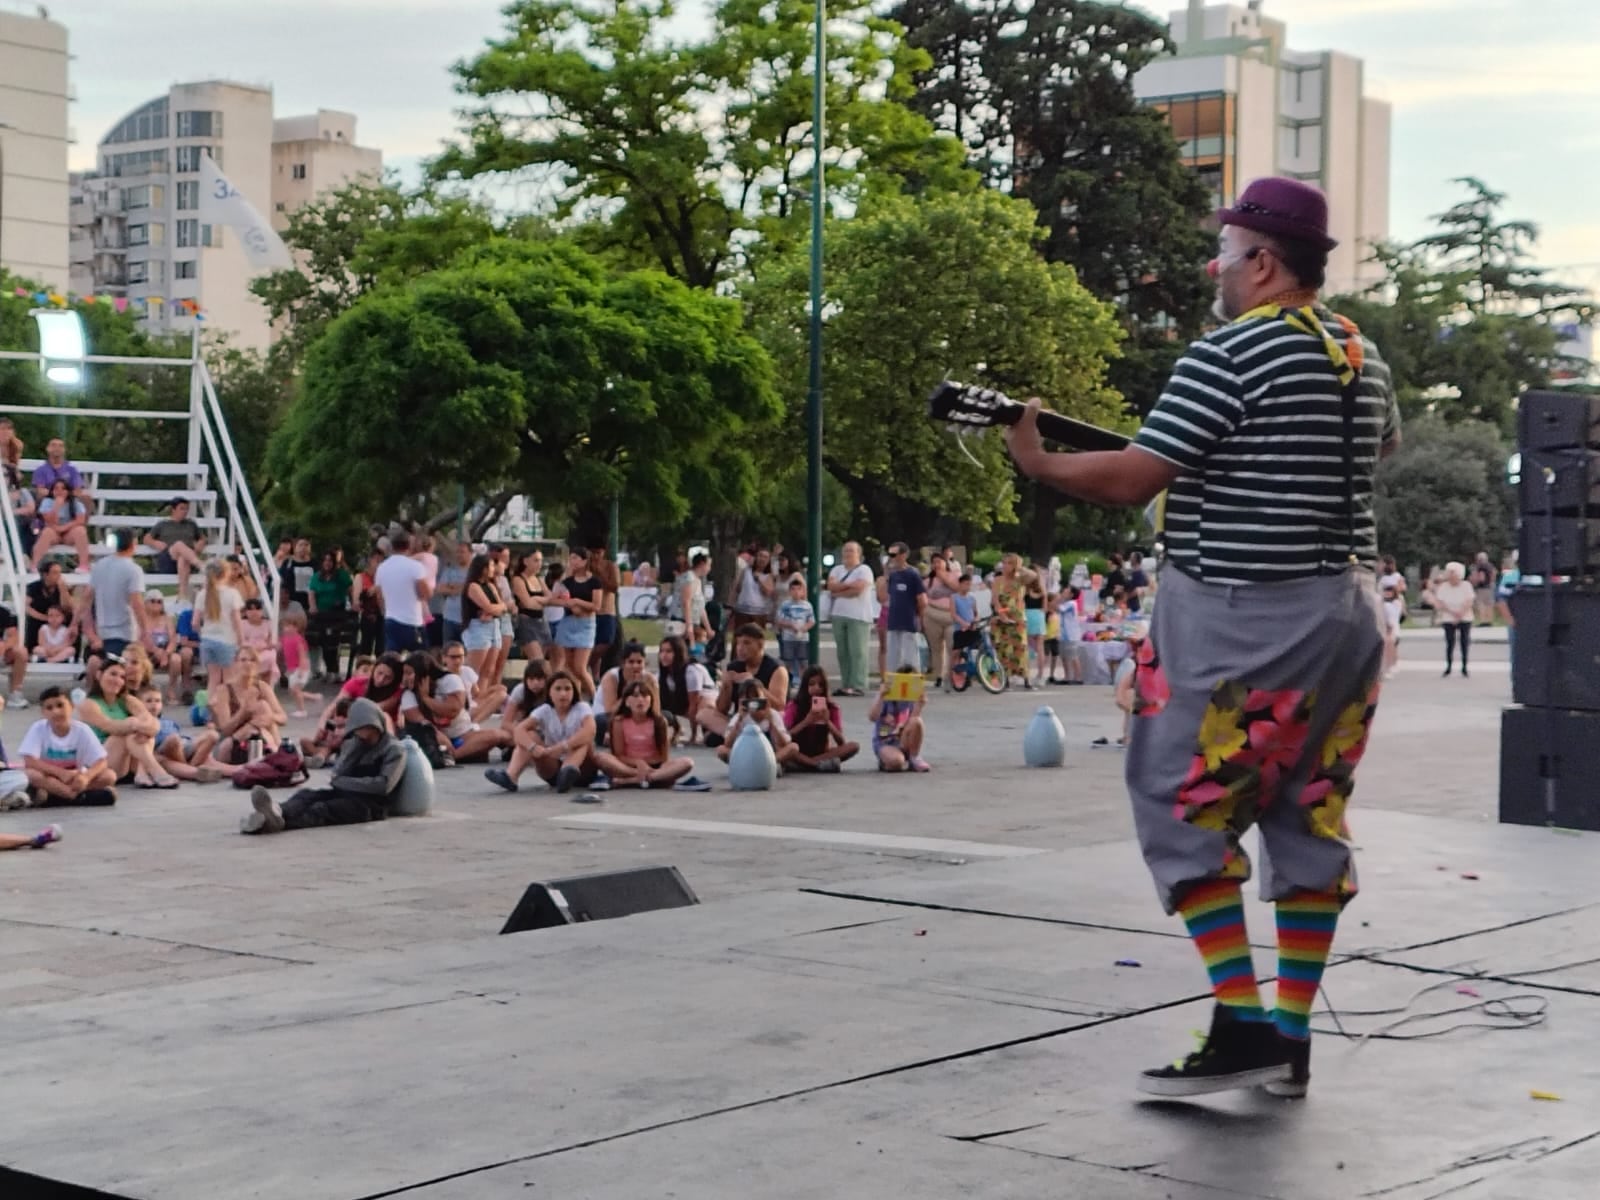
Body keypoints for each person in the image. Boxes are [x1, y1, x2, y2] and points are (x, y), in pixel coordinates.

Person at [1005, 176, 1398, 1098]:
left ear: (1261, 262)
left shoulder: (1231, 351)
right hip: (1348, 609)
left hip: (1242, 611)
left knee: (1179, 795)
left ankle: (1241, 1017)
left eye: (1221, 255)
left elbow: (1132, 481)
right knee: (1308, 807)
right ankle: (1289, 1033)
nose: (1212, 270)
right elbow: (1371, 453)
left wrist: (1036, 458)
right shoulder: (1358, 351)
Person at [241, 698, 407, 834]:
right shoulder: (357, 744)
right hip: (345, 793)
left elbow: (383, 786)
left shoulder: (394, 750)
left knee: (322, 809)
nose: (357, 733)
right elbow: (339, 771)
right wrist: (353, 750)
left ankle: (274, 824)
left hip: (370, 805)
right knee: (306, 795)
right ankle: (277, 811)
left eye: (361, 728)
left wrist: (343, 782)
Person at [485, 669, 596, 793]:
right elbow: (519, 730)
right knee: (530, 735)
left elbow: (590, 730)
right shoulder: (544, 710)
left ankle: (568, 770)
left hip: (582, 769)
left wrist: (563, 746)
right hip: (552, 766)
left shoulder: (582, 708)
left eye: (567, 689)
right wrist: (533, 747)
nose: (563, 694)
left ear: (574, 691)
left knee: (582, 740)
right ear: (549, 692)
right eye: (558, 689)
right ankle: (511, 776)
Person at [20, 686, 118, 807]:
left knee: (109, 776)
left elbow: (101, 761)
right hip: (50, 778)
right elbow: (30, 761)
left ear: (71, 706)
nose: (55, 711)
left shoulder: (82, 730)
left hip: (75, 778)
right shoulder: (38, 728)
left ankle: (56, 797)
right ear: (43, 712)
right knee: (31, 775)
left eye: (60, 705)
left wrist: (87, 777)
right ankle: (76, 797)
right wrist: (61, 773)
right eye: (49, 708)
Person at [697, 624, 789, 748]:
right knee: (703, 714)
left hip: (766, 720)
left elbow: (779, 706)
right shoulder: (734, 667)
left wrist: (754, 683)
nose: (740, 648)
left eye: (746, 643)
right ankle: (739, 737)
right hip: (741, 719)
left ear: (760, 644)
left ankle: (736, 739)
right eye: (738, 644)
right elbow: (722, 709)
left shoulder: (776, 669)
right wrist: (726, 685)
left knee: (713, 739)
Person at [592, 679, 697, 789]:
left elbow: (663, 757)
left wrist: (646, 764)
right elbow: (619, 755)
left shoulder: (660, 721)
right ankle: (642, 777)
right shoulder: (619, 722)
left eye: (645, 696)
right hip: (627, 766)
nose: (640, 700)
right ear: (627, 701)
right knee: (601, 757)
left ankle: (634, 780)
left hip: (654, 767)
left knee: (687, 762)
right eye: (636, 696)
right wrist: (638, 763)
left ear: (651, 700)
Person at [210, 646, 287, 763]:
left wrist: (266, 717)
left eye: (252, 660)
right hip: (233, 740)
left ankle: (276, 753)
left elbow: (283, 718)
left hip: (260, 736)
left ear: (257, 665)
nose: (248, 664)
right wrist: (245, 711)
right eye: (243, 660)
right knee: (260, 709)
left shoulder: (262, 687)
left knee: (263, 707)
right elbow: (225, 729)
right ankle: (277, 753)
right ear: (235, 663)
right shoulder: (225, 690)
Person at [83, 529, 148, 665]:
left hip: (103, 629)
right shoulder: (133, 569)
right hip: (124, 631)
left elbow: (87, 597)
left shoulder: (100, 565)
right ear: (133, 543)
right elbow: (137, 602)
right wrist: (145, 630)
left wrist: (80, 626)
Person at [782, 666, 859, 772]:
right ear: (805, 686)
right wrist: (806, 722)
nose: (816, 688)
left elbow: (841, 742)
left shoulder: (832, 708)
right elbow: (785, 737)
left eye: (820, 685)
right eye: (812, 684)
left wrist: (828, 722)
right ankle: (815, 765)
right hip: (798, 751)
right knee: (789, 750)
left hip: (821, 753)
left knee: (853, 746)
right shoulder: (794, 706)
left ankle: (809, 763)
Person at [825, 543, 874, 696]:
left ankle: (858, 684)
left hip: (858, 616)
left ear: (858, 553)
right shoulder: (837, 569)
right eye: (845, 550)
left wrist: (839, 590)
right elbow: (830, 586)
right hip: (839, 614)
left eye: (851, 551)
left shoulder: (864, 570)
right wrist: (846, 586)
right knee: (843, 651)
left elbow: (857, 590)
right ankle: (846, 683)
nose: (847, 553)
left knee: (857, 651)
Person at [553, 549, 601, 699]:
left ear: (584, 561)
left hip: (585, 624)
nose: (572, 561)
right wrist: (570, 605)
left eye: (575, 558)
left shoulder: (594, 582)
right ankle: (576, 697)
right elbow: (556, 597)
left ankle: (595, 697)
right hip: (568, 622)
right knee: (569, 665)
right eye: (571, 558)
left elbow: (596, 606)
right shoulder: (568, 581)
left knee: (580, 667)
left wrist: (577, 602)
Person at [374, 531, 432, 653]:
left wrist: (385, 612)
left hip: (391, 619)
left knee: (392, 658)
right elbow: (425, 594)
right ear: (409, 546)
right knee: (421, 659)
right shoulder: (415, 567)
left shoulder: (382, 567)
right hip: (412, 620)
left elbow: (379, 596)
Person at [716, 678, 794, 766]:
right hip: (746, 754)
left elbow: (784, 743)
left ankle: (769, 763)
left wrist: (771, 722)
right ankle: (750, 765)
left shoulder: (772, 714)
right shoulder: (740, 716)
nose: (753, 701)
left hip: (769, 754)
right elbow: (727, 743)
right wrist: (739, 720)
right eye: (749, 698)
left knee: (793, 747)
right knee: (721, 750)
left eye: (756, 697)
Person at [194, 559, 244, 692]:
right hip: (227, 640)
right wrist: (241, 641)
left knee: (213, 679)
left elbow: (195, 622)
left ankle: (210, 709)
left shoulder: (202, 594)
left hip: (207, 640)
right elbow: (237, 621)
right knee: (229, 679)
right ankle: (227, 708)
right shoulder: (232, 594)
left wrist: (202, 633)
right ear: (225, 574)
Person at [867, 667, 930, 772]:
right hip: (885, 741)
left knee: (917, 721)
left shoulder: (912, 698)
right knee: (896, 762)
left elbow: (913, 722)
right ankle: (887, 761)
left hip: (903, 739)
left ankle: (914, 757)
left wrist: (919, 705)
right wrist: (881, 696)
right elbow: (872, 717)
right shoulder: (886, 696)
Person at [656, 634, 715, 745]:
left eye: (669, 652)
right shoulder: (661, 675)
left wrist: (693, 736)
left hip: (705, 700)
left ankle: (704, 732)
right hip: (683, 700)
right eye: (662, 651)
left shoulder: (691, 671)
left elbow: (694, 704)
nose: (664, 655)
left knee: (702, 713)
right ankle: (676, 730)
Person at [306, 549, 355, 679]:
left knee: (333, 640)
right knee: (324, 641)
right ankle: (330, 669)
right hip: (321, 614)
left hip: (337, 613)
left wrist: (354, 603)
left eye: (330, 560)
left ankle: (334, 670)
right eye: (325, 560)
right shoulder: (317, 576)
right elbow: (312, 593)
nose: (327, 563)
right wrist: (313, 607)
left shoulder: (342, 575)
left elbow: (351, 590)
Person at [143, 498, 206, 596]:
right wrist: (155, 543)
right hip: (169, 559)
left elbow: (202, 538)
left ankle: (182, 594)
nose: (185, 512)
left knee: (183, 557)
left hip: (187, 561)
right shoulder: (163, 524)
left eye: (186, 509)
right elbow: (146, 538)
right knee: (179, 545)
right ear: (173, 509)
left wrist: (200, 543)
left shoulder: (191, 524)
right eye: (182, 508)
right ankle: (202, 566)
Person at [882, 542, 926, 676]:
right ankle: (892, 683)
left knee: (910, 654)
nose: (892, 558)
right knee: (893, 655)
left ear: (904, 555)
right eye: (890, 555)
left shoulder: (912, 574)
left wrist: (919, 617)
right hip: (894, 619)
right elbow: (888, 596)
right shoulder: (893, 575)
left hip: (908, 619)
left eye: (894, 554)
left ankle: (913, 683)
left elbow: (922, 599)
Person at [30, 478, 91, 572]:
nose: (59, 491)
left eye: (63, 488)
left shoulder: (75, 503)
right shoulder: (47, 502)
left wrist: (64, 527)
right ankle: (34, 565)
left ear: (68, 491)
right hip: (53, 532)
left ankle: (84, 565)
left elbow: (80, 520)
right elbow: (49, 521)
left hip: (69, 533)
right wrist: (56, 506)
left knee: (81, 530)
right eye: (56, 488)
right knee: (47, 532)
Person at [1432, 561, 1476, 678]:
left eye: (1453, 573)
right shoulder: (1444, 587)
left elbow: (1469, 601)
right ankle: (1448, 666)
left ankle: (1464, 666)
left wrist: (1460, 613)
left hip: (1465, 617)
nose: (1451, 576)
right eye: (1449, 573)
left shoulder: (1466, 585)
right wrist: (1452, 613)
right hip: (1448, 617)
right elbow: (1440, 602)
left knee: (1464, 642)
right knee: (1449, 642)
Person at [774, 574, 815, 694]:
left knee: (803, 660)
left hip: (802, 638)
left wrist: (803, 629)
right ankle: (788, 681)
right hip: (788, 637)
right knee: (788, 659)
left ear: (803, 591)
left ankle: (803, 681)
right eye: (793, 589)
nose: (796, 592)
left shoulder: (807, 606)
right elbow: (780, 620)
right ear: (789, 591)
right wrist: (791, 626)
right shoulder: (785, 605)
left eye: (799, 589)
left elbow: (812, 621)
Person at [281, 609, 317, 717]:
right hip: (292, 668)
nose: (286, 629)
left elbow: (302, 655)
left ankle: (302, 710)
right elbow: (279, 646)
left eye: (289, 626)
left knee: (296, 689)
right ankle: (312, 697)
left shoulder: (298, 639)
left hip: (300, 668)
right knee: (292, 691)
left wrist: (301, 669)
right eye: (284, 626)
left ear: (296, 628)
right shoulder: (284, 638)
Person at [1468, 551, 1497, 627]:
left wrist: (1474, 582)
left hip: (1482, 588)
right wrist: (1491, 583)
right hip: (1490, 587)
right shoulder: (1490, 566)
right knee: (1489, 604)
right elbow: (1494, 574)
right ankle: (1489, 621)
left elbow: (1481, 577)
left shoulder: (1480, 567)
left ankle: (1483, 621)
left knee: (1481, 604)